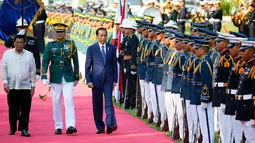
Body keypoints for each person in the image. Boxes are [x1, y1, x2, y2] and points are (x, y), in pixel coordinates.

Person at [41, 22, 79, 135]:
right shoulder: (50, 45)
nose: (59, 34)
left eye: (61, 31)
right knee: (56, 101)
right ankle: (58, 126)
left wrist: (76, 76)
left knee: (69, 100)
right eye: (57, 31)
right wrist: (43, 76)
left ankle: (70, 125)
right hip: (55, 76)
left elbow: (76, 62)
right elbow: (45, 61)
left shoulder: (71, 44)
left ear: (65, 32)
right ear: (54, 32)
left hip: (68, 75)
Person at [1, 34, 36, 137]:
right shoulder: (7, 54)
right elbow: (3, 69)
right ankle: (12, 128)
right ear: (14, 43)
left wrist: (33, 85)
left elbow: (32, 71)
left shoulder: (29, 55)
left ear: (24, 44)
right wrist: (4, 82)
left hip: (25, 86)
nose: (19, 44)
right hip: (12, 86)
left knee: (25, 108)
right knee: (13, 108)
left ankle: (24, 129)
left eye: (21, 43)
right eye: (17, 42)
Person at [85, 27, 118, 134]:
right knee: (97, 104)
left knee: (108, 102)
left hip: (108, 80)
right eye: (101, 35)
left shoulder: (111, 48)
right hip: (96, 80)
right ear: (97, 36)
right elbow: (87, 66)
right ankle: (100, 126)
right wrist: (88, 80)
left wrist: (115, 80)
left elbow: (114, 65)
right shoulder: (91, 49)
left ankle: (110, 124)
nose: (103, 38)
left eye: (105, 35)